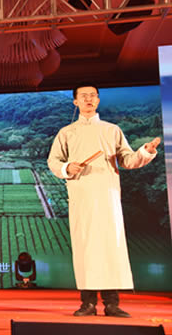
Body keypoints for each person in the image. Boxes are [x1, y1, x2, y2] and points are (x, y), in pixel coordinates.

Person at [47, 82, 159, 318]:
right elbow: (53, 161)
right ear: (75, 102)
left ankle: (112, 303)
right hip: (81, 195)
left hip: (108, 195)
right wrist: (68, 167)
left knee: (111, 247)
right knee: (86, 248)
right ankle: (87, 303)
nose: (88, 99)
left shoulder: (112, 130)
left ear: (98, 100)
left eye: (93, 95)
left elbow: (127, 160)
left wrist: (145, 151)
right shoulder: (66, 132)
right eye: (83, 96)